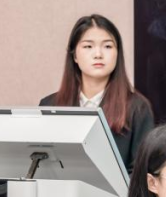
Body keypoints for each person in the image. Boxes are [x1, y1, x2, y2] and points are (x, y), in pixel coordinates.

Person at [41, 14, 154, 173]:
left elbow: (141, 172)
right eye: (88, 46)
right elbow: (40, 165)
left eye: (107, 46)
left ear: (117, 53)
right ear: (74, 55)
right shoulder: (49, 105)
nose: (98, 54)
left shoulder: (137, 108)